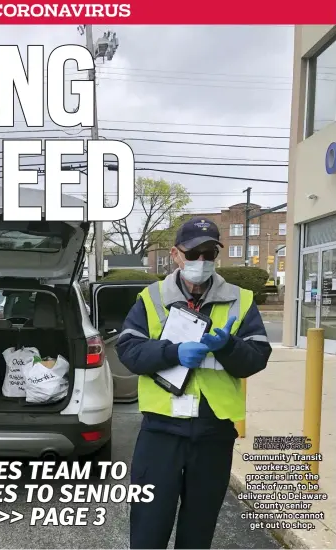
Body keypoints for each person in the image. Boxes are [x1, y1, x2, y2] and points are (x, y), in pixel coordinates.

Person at [117, 217, 272, 550]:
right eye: (193, 253)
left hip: (214, 432)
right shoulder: (152, 297)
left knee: (199, 529)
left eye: (209, 253)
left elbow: (257, 358)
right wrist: (172, 352)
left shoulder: (239, 300)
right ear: (176, 254)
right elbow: (129, 350)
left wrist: (229, 345)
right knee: (148, 525)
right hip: (161, 430)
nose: (201, 261)